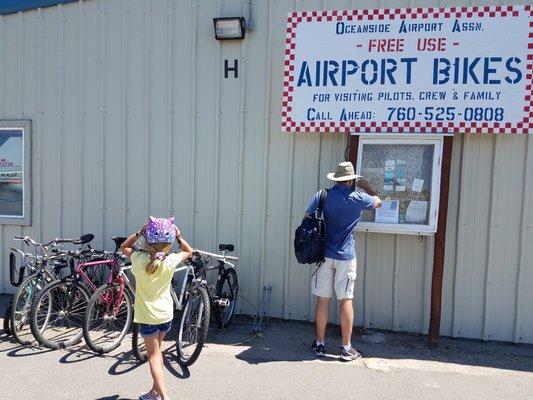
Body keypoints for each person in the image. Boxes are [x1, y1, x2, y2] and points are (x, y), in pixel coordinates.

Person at [305, 161, 381, 361]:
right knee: (345, 300)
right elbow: (378, 202)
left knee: (323, 300)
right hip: (346, 257)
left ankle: (320, 344)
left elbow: (307, 215)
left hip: (323, 255)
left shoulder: (323, 195)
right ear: (351, 180)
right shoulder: (358, 198)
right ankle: (346, 348)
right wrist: (366, 186)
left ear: (336, 178)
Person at [121, 216, 193, 400]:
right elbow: (188, 251)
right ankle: (154, 393)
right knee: (158, 354)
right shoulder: (170, 261)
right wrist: (178, 236)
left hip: (148, 317)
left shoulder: (138, 259)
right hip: (165, 315)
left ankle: (165, 397)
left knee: (153, 356)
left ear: (148, 239)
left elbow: (125, 247)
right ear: (168, 243)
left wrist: (140, 232)